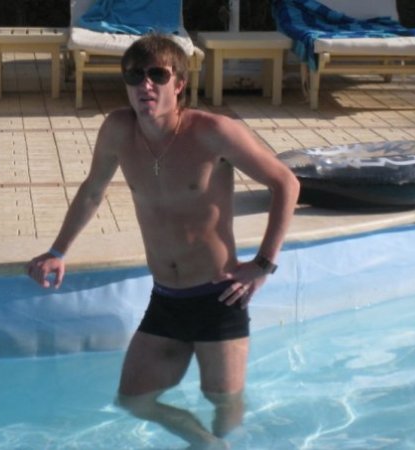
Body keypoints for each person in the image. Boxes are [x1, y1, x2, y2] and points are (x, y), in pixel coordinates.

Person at [27, 34, 300, 449]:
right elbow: (93, 191)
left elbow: (286, 183)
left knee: (224, 405)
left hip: (219, 297)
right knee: (133, 401)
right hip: (167, 299)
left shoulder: (213, 132)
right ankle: (204, 443)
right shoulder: (118, 130)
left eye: (157, 75)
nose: (145, 84)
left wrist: (263, 264)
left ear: (179, 84)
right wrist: (58, 251)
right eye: (135, 76)